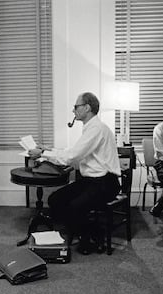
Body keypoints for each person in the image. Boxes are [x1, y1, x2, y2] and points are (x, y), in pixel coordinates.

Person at [29, 92, 121, 255]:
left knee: (75, 206)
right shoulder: (91, 128)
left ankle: (89, 237)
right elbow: (73, 152)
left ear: (87, 108)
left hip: (106, 183)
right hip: (92, 181)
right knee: (55, 200)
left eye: (76, 107)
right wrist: (47, 150)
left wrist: (42, 154)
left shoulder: (96, 129)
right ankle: (88, 230)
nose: (73, 110)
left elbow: (72, 156)